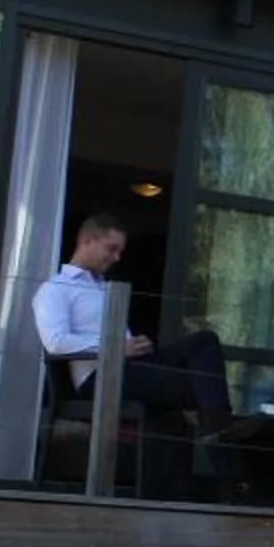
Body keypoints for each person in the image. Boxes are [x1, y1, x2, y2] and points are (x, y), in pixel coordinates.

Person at [32, 211, 240, 496]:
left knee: (204, 342)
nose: (117, 258)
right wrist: (117, 347)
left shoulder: (104, 288)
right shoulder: (55, 289)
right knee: (197, 386)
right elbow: (55, 342)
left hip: (131, 365)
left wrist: (133, 345)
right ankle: (223, 449)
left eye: (120, 251)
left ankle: (217, 429)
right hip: (99, 375)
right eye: (111, 248)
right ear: (87, 241)